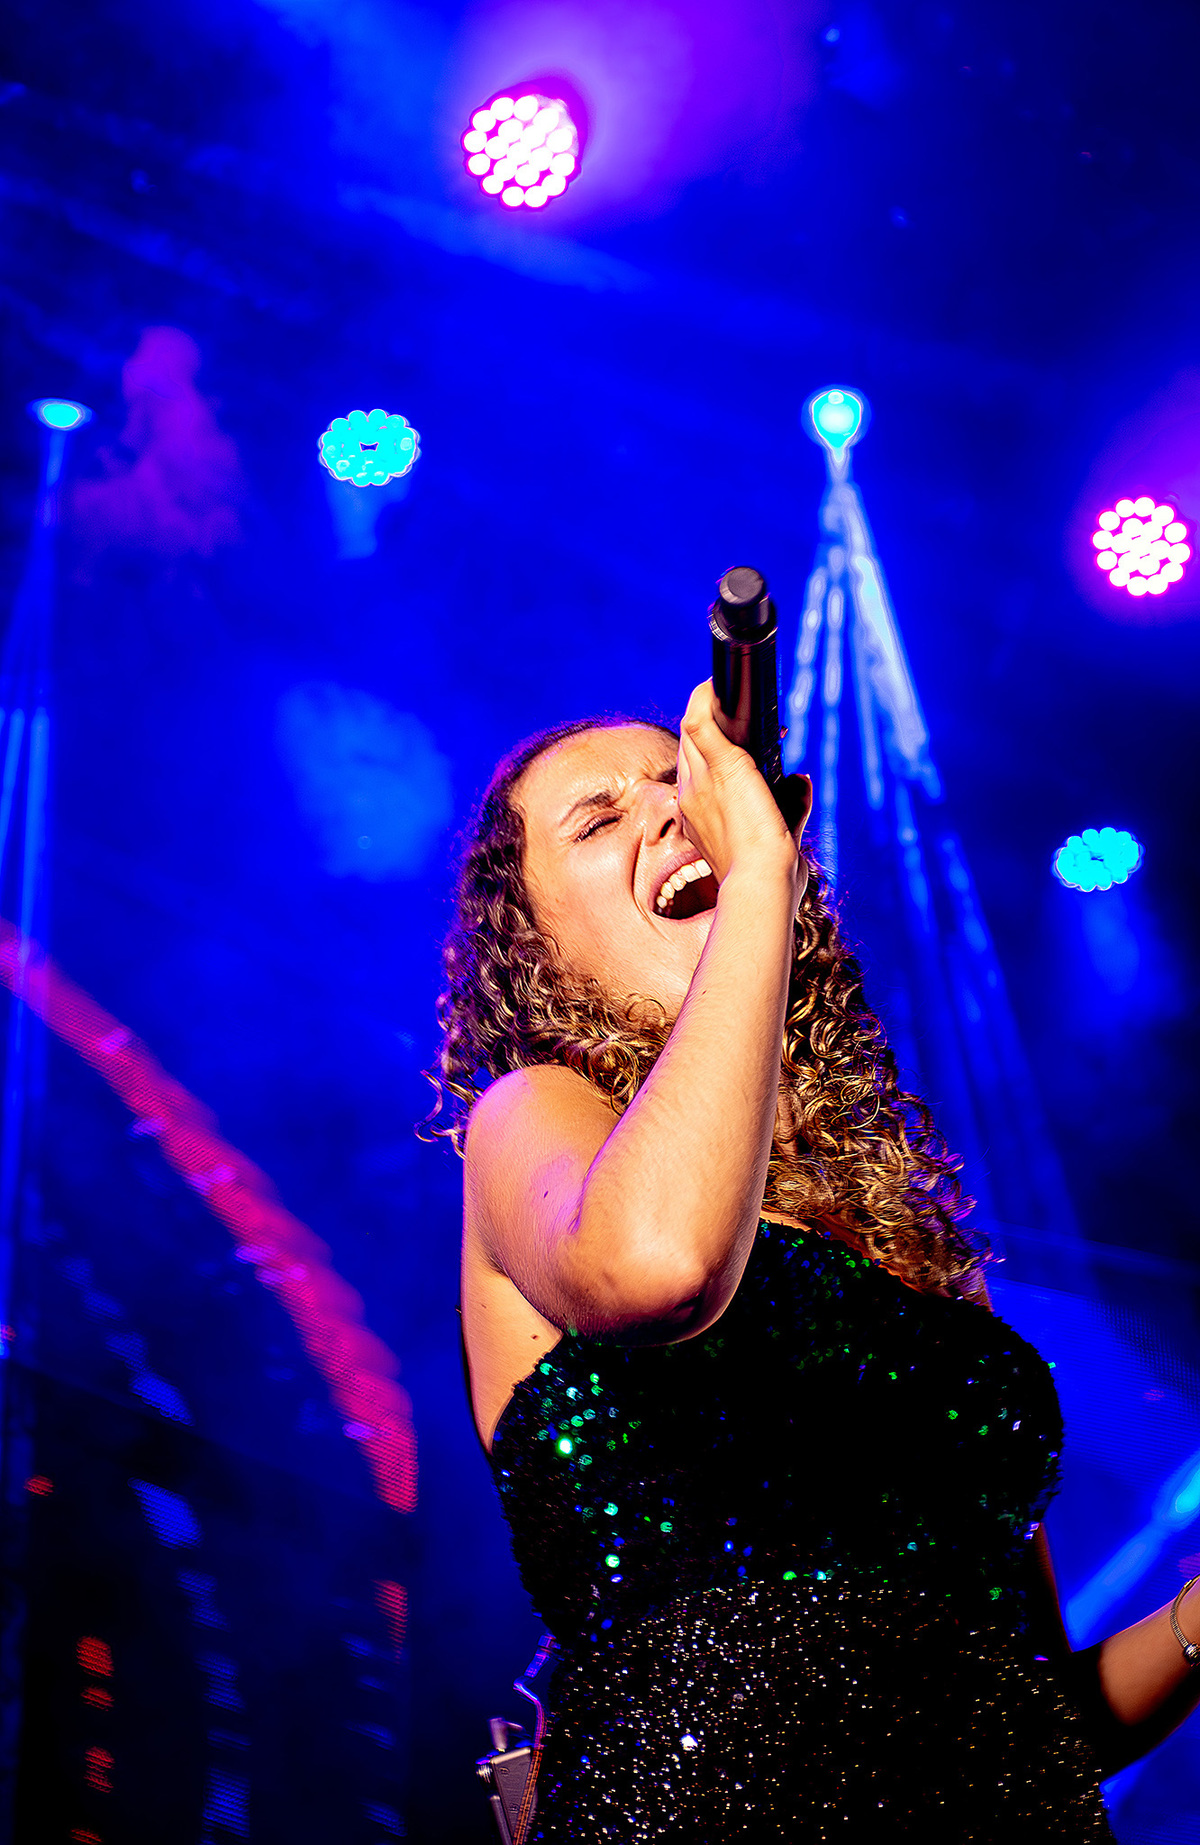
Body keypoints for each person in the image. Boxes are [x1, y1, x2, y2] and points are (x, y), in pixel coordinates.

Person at [431, 684, 1200, 1842]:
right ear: (532, 944)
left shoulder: (904, 1241)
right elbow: (658, 1262)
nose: (672, 812)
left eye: (684, 785)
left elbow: (1034, 1717)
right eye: (599, 819)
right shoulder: (531, 1121)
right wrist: (755, 883)